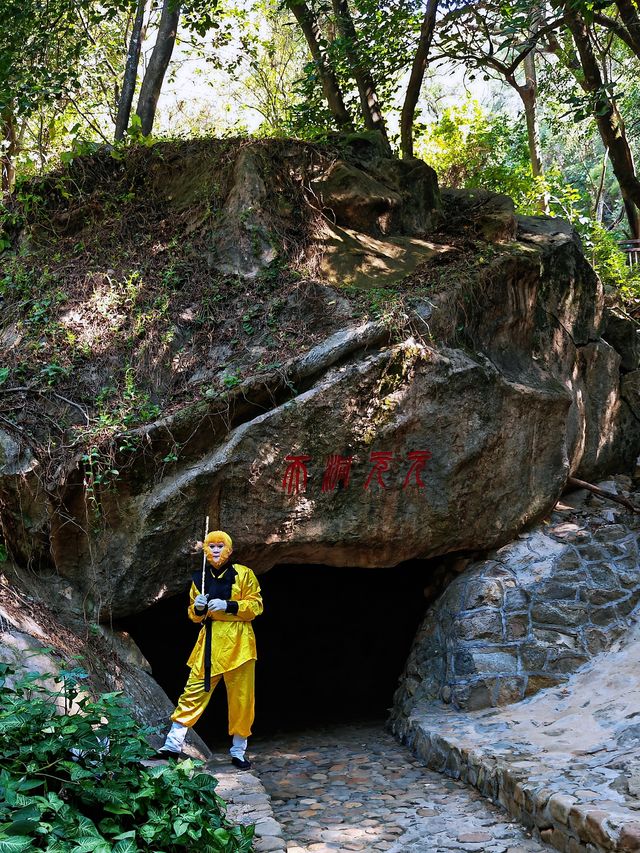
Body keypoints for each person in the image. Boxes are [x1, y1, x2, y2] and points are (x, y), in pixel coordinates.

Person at [155, 530, 263, 769]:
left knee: (242, 699)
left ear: (230, 550)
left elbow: (256, 606)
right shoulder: (199, 579)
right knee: (193, 691)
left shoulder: (244, 574)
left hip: (240, 645)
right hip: (210, 644)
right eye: (211, 545)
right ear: (205, 549)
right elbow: (194, 616)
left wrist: (229, 604)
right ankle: (172, 745)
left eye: (220, 545)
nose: (215, 550)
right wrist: (198, 607)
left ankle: (238, 750)